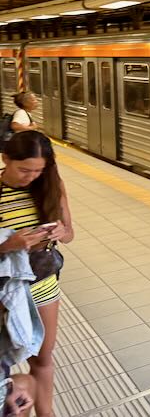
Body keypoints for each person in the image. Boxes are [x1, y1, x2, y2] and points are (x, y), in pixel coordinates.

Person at [0, 132, 73, 417]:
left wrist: (59, 231)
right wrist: (9, 245)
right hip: (5, 289)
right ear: (6, 159)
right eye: (24, 169)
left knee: (43, 357)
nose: (31, 177)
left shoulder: (51, 186)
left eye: (39, 171)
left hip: (42, 284)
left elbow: (69, 234)